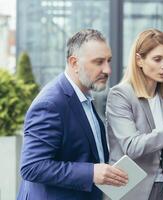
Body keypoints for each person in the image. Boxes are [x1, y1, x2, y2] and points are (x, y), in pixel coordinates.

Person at [17, 29, 128, 200]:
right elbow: (32, 166)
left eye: (108, 61)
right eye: (99, 62)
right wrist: (91, 173)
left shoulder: (86, 97)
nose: (107, 70)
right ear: (74, 63)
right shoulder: (50, 104)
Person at [105, 29, 163, 200]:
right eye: (157, 59)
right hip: (130, 191)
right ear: (139, 60)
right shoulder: (120, 95)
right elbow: (132, 147)